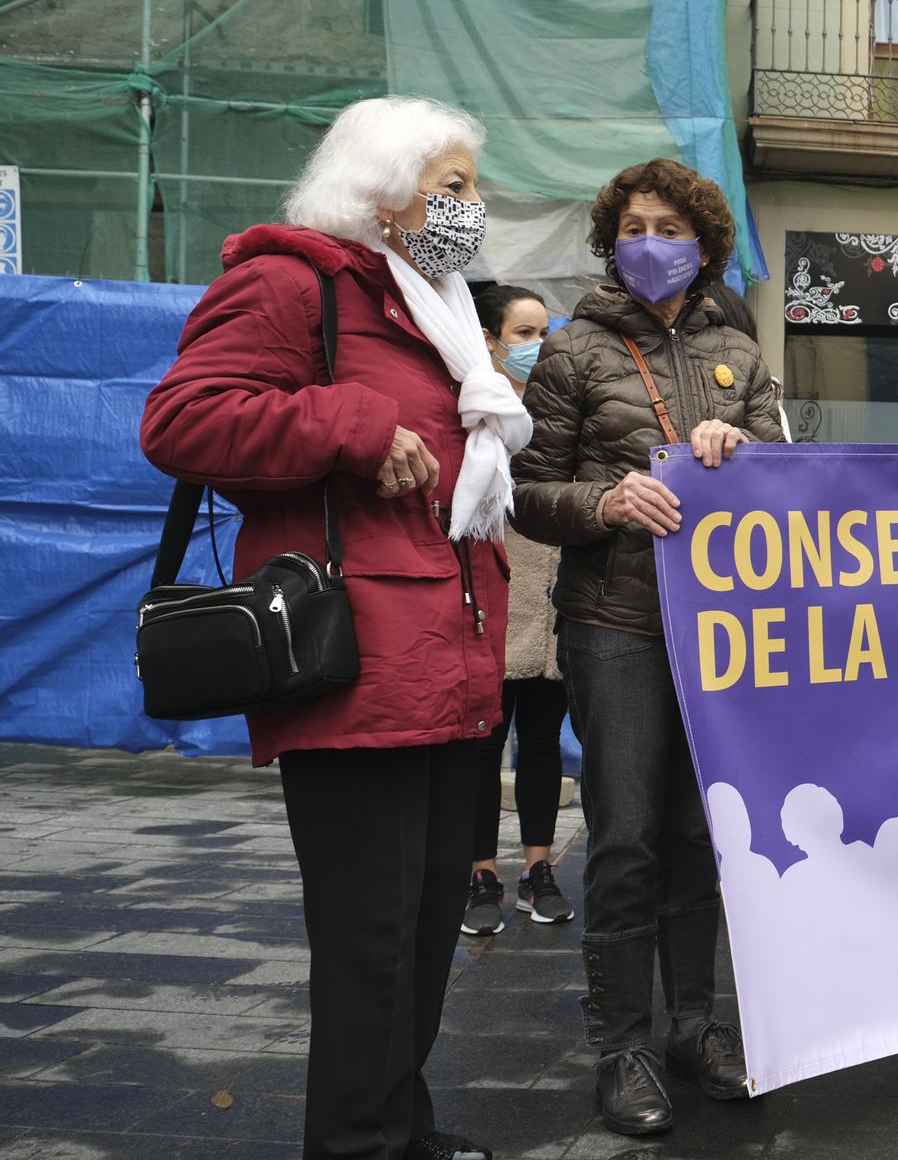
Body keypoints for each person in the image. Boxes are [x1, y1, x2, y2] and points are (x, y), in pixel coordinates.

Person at [140, 95, 528, 1160]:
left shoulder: (434, 303)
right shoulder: (290, 282)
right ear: (380, 188)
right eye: (451, 187)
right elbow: (181, 419)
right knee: (368, 940)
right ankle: (355, 1144)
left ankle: (401, 1129)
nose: (469, 209)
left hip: (450, 659)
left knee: (420, 933)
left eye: (468, 189)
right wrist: (355, 425)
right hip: (356, 661)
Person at [511, 158, 783, 1137]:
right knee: (624, 836)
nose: (648, 240)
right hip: (614, 625)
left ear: (704, 242)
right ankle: (620, 1042)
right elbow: (526, 493)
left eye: (668, 224)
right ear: (610, 239)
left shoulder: (739, 355)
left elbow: (785, 480)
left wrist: (746, 462)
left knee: (696, 838)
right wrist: (603, 499)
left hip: (717, 637)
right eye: (632, 224)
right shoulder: (574, 349)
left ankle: (692, 1026)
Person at [459, 284, 573, 935]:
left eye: (543, 331)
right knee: (483, 744)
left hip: (551, 598)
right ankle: (480, 873)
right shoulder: (474, 408)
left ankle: (537, 870)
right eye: (524, 332)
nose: (538, 344)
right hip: (491, 596)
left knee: (542, 741)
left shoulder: (558, 408)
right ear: (490, 338)